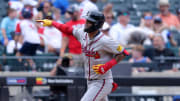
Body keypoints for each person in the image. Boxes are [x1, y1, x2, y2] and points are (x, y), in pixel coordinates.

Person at [37, 11, 129, 101]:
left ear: (96, 24)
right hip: (90, 80)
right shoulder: (82, 34)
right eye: (86, 21)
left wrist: (106, 66)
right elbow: (68, 29)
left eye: (89, 22)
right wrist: (52, 23)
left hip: (101, 81)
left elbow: (124, 52)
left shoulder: (105, 41)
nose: (86, 23)